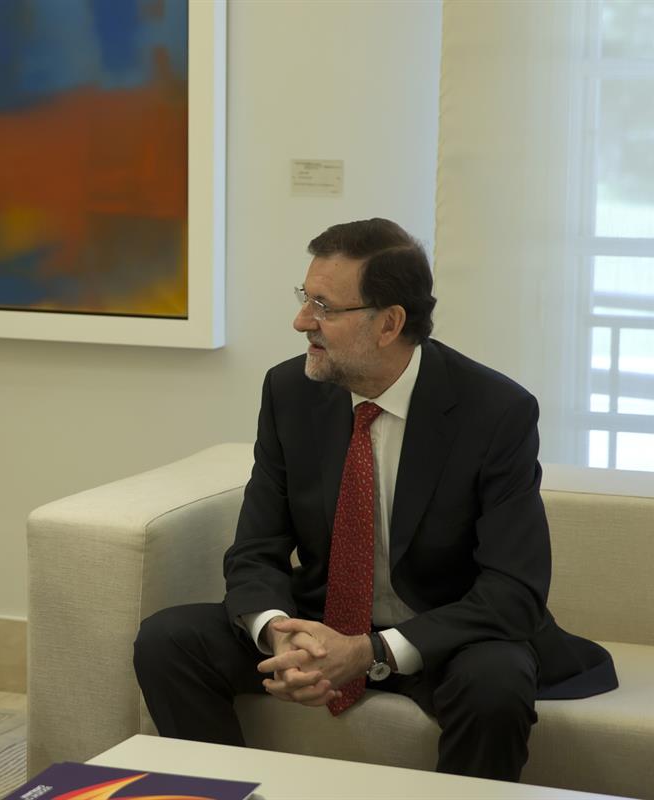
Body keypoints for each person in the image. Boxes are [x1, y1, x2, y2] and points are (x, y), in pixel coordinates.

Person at [132, 218, 617, 781]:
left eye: (323, 306)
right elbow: (256, 549)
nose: (300, 321)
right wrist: (279, 631)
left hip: (442, 635)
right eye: (304, 298)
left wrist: (371, 652)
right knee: (169, 641)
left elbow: (514, 591)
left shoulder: (495, 412)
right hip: (322, 619)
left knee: (496, 684)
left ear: (389, 324)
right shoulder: (290, 392)